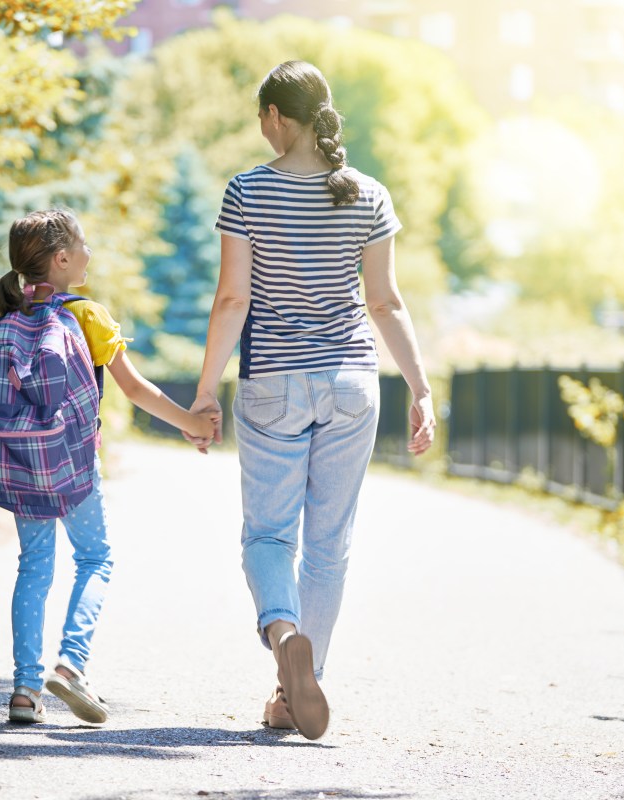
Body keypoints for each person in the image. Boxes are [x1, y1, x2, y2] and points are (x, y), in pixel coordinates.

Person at [187, 61, 436, 741]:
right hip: (354, 383)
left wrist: (205, 391)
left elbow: (233, 299)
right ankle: (297, 691)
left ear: (274, 117)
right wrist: (420, 386)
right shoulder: (369, 195)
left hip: (272, 382)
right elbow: (384, 302)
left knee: (269, 535)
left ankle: (284, 633)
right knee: (328, 547)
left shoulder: (248, 192)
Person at [0, 209, 218, 725]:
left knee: (33, 566)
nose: (90, 253)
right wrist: (192, 422)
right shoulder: (88, 314)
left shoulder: (2, 314)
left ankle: (25, 690)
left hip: (21, 462)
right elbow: (136, 389)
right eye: (83, 245)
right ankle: (70, 665)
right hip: (72, 463)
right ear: (63, 258)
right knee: (95, 557)